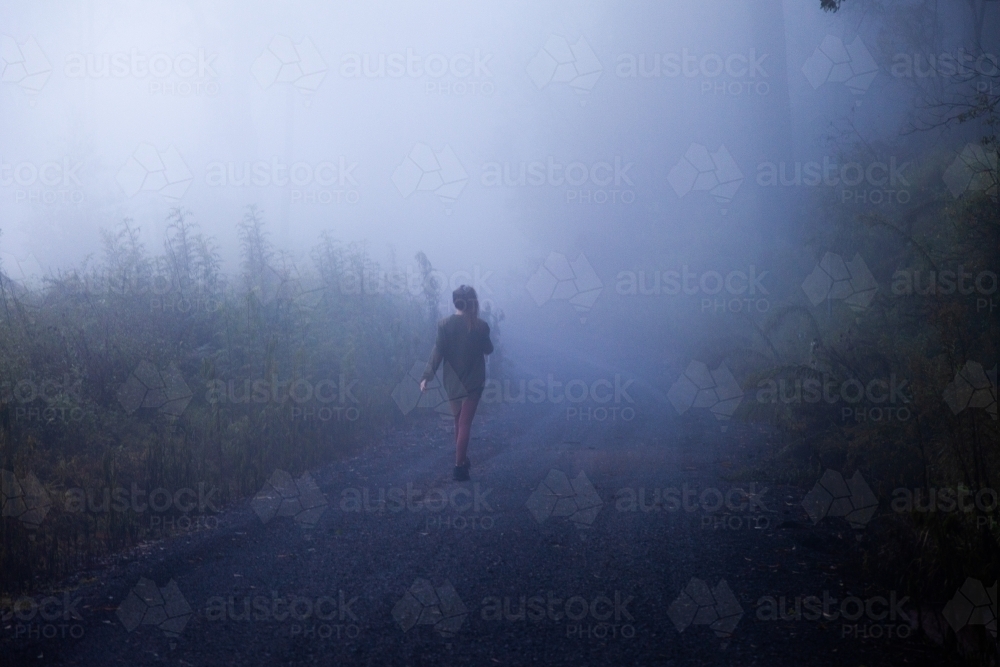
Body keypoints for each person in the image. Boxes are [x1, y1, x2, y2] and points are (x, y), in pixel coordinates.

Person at [420, 285, 493, 481]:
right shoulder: (480, 326)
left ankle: (462, 460)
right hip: (473, 382)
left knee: (458, 423)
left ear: (455, 302)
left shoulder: (444, 325)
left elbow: (437, 352)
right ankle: (459, 467)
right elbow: (489, 349)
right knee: (465, 424)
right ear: (473, 303)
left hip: (453, 382)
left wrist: (426, 376)